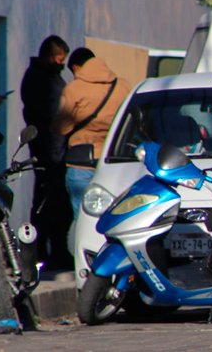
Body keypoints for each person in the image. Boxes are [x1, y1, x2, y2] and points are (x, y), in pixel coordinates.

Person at [52, 48, 131, 225]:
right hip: (115, 161)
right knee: (116, 218)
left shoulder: (74, 89)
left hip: (81, 162)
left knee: (83, 220)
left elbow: (62, 127)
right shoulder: (123, 86)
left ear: (76, 67)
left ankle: (84, 251)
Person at [20, 35, 74, 270]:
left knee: (56, 207)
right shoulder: (39, 80)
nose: (62, 64)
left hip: (54, 152)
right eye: (59, 59)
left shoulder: (49, 77)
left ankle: (53, 252)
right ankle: (44, 253)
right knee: (47, 206)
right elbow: (48, 118)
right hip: (48, 153)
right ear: (49, 57)